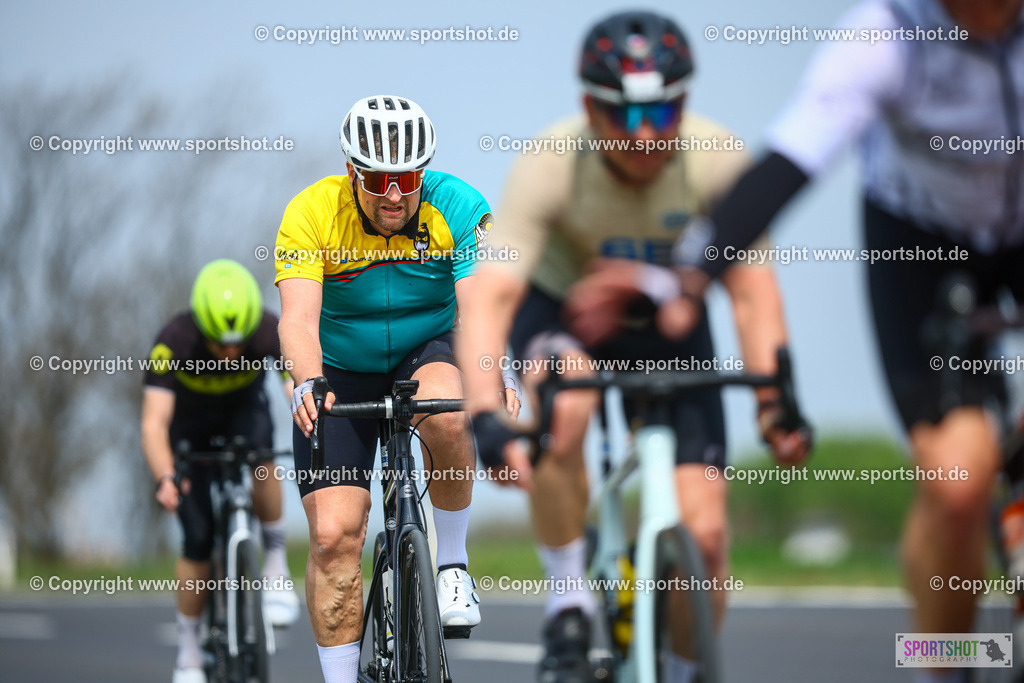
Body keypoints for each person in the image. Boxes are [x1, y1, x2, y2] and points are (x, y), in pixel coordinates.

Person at [647, 2, 1024, 682]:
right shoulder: (886, 34)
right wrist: (691, 275)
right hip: (922, 240)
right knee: (958, 483)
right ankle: (942, 665)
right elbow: (789, 162)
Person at [457, 11, 810, 682]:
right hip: (565, 309)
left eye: (665, 113)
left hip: (668, 325)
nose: (647, 137)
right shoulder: (550, 161)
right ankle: (567, 599)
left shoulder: (715, 158)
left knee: (706, 539)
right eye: (626, 117)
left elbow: (751, 296)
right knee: (565, 402)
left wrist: (775, 405)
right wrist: (484, 415)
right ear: (589, 107)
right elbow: (490, 296)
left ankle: (679, 669)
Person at [276, 95, 516, 683]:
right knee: (335, 539)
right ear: (353, 171)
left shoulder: (456, 205)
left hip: (425, 348)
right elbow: (298, 321)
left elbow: (478, 306)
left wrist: (495, 370)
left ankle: (452, 563)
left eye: (407, 178)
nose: (393, 194)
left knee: (450, 412)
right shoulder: (311, 212)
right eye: (378, 178)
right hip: (339, 367)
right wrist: (307, 379)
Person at [142, 258, 299, 683]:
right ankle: (189, 652)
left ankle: (276, 565)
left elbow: (294, 385)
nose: (230, 353)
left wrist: (309, 419)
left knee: (265, 461)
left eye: (238, 344)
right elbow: (154, 422)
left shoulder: (267, 329)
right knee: (196, 541)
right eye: (219, 344)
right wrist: (165, 476)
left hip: (242, 417)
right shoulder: (173, 341)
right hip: (188, 433)